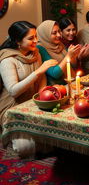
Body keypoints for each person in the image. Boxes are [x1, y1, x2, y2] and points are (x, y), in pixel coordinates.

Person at [0, 21, 57, 157]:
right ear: (17, 41)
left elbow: (42, 78)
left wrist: (42, 95)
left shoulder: (35, 52)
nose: (36, 41)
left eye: (36, 36)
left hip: (33, 100)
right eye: (31, 38)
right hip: (13, 106)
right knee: (26, 148)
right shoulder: (8, 59)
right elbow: (13, 90)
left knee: (55, 138)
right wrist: (39, 71)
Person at [37, 20, 81, 85]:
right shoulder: (40, 48)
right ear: (45, 34)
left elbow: (73, 66)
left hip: (70, 83)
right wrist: (68, 55)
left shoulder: (59, 44)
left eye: (59, 31)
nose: (59, 35)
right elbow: (55, 74)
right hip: (56, 88)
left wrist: (74, 56)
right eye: (54, 33)